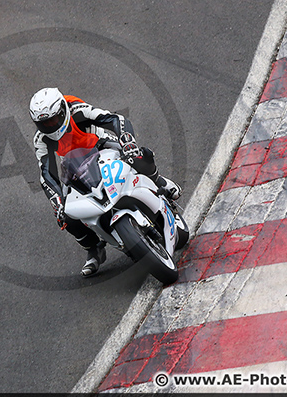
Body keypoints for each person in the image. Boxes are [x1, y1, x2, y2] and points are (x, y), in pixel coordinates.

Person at [29, 87, 182, 277]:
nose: (51, 125)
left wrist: (127, 142)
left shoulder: (77, 109)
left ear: (62, 110)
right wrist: (56, 201)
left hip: (99, 144)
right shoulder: (41, 139)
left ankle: (159, 182)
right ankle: (94, 249)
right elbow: (46, 173)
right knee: (66, 215)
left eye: (53, 119)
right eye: (44, 123)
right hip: (72, 165)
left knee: (138, 155)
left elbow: (114, 119)